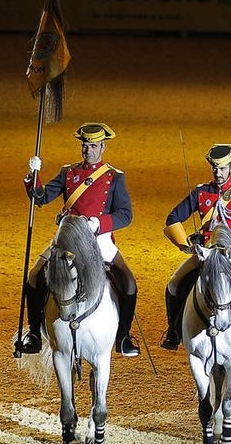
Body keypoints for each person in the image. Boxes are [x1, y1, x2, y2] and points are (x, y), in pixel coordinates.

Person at [17, 122, 140, 357]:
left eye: (93, 145)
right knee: (34, 277)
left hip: (99, 239)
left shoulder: (114, 177)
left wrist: (99, 223)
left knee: (129, 282)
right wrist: (33, 176)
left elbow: (125, 215)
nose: (88, 150)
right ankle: (34, 333)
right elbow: (41, 198)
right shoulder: (68, 172)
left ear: (103, 147)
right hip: (68, 237)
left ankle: (123, 336)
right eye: (85, 145)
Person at [159, 144, 231, 359]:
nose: (218, 173)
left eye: (222, 168)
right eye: (215, 168)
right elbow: (173, 218)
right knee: (174, 284)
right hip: (207, 253)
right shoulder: (200, 192)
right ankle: (174, 331)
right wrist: (185, 243)